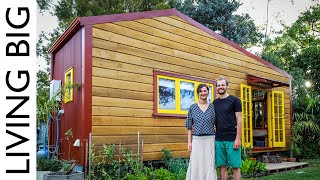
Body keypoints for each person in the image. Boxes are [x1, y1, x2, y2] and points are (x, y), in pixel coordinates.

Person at [185, 84, 217, 180]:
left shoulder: (213, 107)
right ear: (198, 93)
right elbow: (189, 126)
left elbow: (219, 122)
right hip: (197, 140)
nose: (203, 93)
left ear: (208, 92)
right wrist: (189, 142)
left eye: (205, 91)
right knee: (196, 163)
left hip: (210, 139)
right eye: (201, 91)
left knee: (209, 163)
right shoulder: (193, 108)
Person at [213, 77, 242, 180]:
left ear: (227, 86)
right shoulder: (215, 103)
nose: (220, 87)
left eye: (222, 85)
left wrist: (238, 138)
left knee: (235, 167)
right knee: (222, 166)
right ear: (216, 87)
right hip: (219, 139)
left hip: (232, 139)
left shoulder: (235, 100)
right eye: (219, 85)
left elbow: (239, 120)